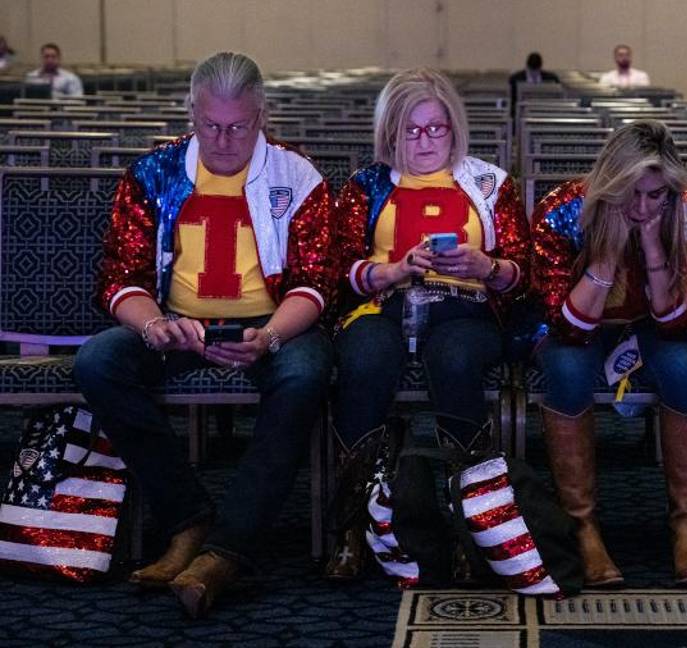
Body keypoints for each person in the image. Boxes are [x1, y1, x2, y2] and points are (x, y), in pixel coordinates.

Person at [73, 52, 335, 618]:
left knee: (306, 373)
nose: (222, 140)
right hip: (177, 324)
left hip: (272, 326)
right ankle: (187, 519)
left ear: (262, 115)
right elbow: (121, 276)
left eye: (238, 127)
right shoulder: (153, 174)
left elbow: (315, 283)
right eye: (210, 125)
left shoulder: (297, 176)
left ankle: (226, 550)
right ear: (191, 111)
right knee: (98, 361)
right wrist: (156, 325)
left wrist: (268, 337)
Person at [327, 67, 530, 579]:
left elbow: (526, 272)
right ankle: (354, 525)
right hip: (382, 304)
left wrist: (487, 267)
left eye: (436, 128)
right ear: (389, 133)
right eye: (411, 130)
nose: (425, 140)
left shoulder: (489, 183)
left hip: (466, 307)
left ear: (454, 128)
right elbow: (335, 268)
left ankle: (471, 527)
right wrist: (393, 270)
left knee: (455, 359)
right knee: (364, 358)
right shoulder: (365, 186)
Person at [531, 121, 687, 587]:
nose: (643, 207)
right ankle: (583, 527)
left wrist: (653, 248)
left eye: (656, 195)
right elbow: (569, 328)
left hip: (649, 323)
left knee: (683, 367)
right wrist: (608, 254)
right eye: (631, 193)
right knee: (567, 369)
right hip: (579, 325)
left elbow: (675, 321)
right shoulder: (562, 210)